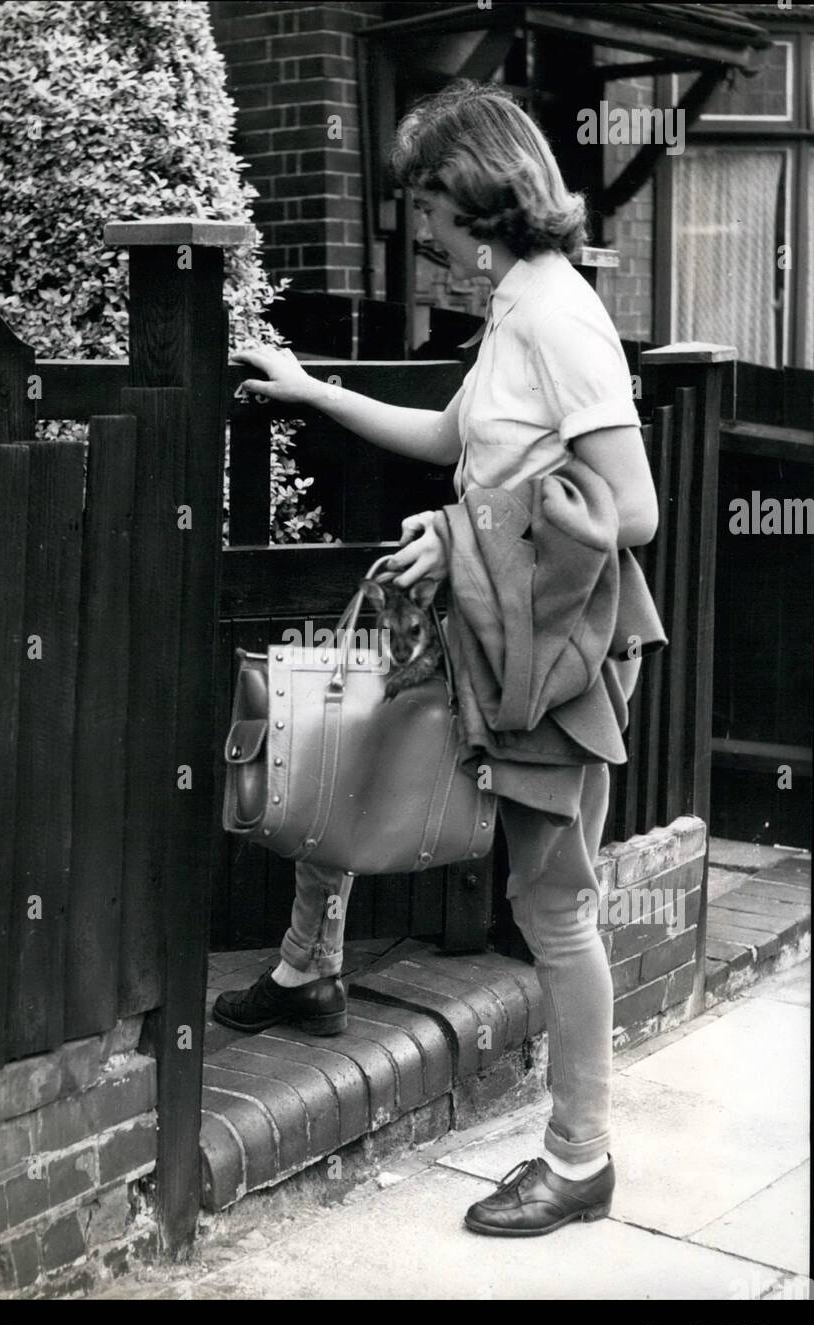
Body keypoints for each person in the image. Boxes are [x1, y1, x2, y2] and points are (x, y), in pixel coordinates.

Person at [215, 80, 660, 1237]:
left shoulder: (558, 318)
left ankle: (579, 1158)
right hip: (497, 625)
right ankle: (310, 969)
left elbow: (632, 510)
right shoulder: (515, 308)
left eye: (426, 207)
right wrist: (314, 388)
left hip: (556, 652)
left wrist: (463, 535)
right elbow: (454, 439)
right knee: (357, 733)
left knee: (552, 907)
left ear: (477, 198)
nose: (418, 233)